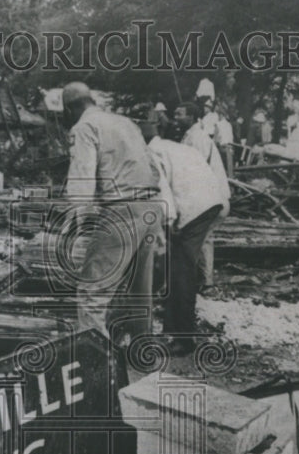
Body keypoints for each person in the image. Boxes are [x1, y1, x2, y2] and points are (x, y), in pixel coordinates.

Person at [62, 81, 161, 342]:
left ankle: (96, 363)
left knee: (92, 292)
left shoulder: (84, 126)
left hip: (121, 210)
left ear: (71, 108)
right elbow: (153, 168)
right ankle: (143, 353)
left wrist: (77, 223)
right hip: (151, 206)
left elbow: (82, 178)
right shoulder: (127, 123)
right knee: (140, 290)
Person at [133, 110, 225, 355]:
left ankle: (185, 340)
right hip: (209, 200)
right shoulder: (170, 146)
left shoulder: (151, 153)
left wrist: (171, 221)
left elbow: (162, 189)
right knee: (177, 267)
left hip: (194, 207)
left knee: (182, 271)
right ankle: (172, 327)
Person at [175, 102, 231, 291]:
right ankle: (201, 280)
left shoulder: (197, 138)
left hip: (212, 198)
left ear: (191, 117)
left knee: (203, 237)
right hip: (206, 197)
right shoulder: (190, 135)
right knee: (202, 237)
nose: (176, 117)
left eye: (179, 114)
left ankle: (205, 282)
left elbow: (196, 170)